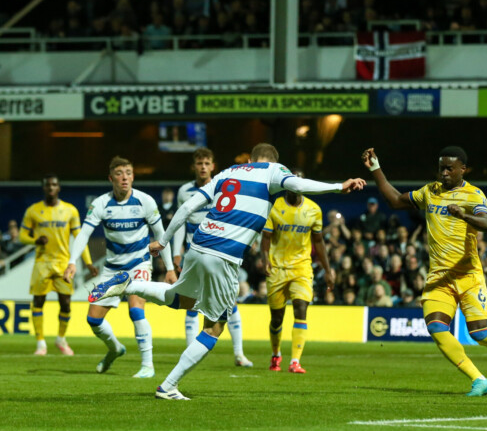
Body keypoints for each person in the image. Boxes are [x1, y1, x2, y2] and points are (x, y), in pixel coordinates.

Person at [88, 143, 364, 400]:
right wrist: (339, 186)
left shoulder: (228, 172)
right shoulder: (273, 171)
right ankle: (168, 386)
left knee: (181, 298)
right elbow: (298, 184)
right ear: (273, 162)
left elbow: (187, 207)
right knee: (214, 327)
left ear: (250, 159)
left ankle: (128, 285)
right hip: (224, 255)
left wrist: (163, 241)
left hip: (198, 245)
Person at [361, 146, 487, 397]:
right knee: (435, 328)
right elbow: (395, 200)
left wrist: (463, 215)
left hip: (468, 275)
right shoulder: (430, 191)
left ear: (463, 169)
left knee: (479, 333)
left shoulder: (474, 195)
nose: (443, 173)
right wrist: (375, 169)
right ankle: (479, 379)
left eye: (449, 169)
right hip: (439, 278)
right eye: (441, 168)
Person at [64, 156, 177, 378]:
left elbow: (161, 235)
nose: (124, 177)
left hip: (139, 264)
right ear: (110, 178)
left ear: (133, 177)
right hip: (112, 269)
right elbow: (84, 234)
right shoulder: (101, 204)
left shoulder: (145, 201)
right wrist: (72, 261)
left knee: (136, 309)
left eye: (128, 173)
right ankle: (115, 349)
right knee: (93, 320)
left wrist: (170, 268)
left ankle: (147, 366)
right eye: (119, 173)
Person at [172, 148, 253, 368]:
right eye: (199, 163)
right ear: (194, 166)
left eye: (207, 163)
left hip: (219, 253)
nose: (203, 167)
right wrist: (176, 253)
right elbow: (181, 222)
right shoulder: (184, 191)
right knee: (191, 303)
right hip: (194, 255)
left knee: (229, 303)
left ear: (213, 166)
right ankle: (191, 353)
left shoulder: (223, 186)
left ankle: (239, 354)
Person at [261, 168, 333, 374]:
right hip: (277, 268)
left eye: (301, 179)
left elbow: (318, 241)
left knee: (301, 308)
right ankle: (276, 354)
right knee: (277, 318)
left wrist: (328, 270)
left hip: (302, 268)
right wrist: (265, 259)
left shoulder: (314, 209)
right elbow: (265, 238)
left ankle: (295, 361)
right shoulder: (274, 207)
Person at [20, 174, 99, 356]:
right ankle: (40, 343)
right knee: (38, 302)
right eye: (48, 185)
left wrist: (88, 262)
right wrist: (35, 240)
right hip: (42, 263)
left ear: (59, 188)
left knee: (66, 304)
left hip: (63, 263)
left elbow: (79, 238)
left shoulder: (70, 210)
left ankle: (61, 339)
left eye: (54, 185)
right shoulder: (33, 210)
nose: (51, 188)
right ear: (44, 188)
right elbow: (22, 236)